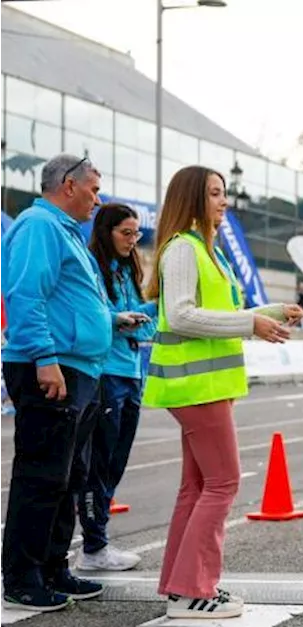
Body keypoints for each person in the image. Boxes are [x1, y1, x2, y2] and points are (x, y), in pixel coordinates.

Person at [143, 165, 303, 619]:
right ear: (193, 199)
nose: (224, 201)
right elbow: (179, 316)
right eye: (215, 193)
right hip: (196, 386)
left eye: (225, 193)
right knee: (223, 484)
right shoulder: (183, 250)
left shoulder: (206, 252)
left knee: (196, 487)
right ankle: (192, 591)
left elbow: (220, 312)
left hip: (204, 384)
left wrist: (270, 312)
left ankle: (183, 587)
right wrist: (251, 323)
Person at [1, 154, 113, 612]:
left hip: (80, 368)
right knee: (42, 475)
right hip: (51, 368)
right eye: (94, 189)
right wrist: (45, 359)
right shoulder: (39, 226)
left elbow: (70, 300)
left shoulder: (66, 232)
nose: (98, 199)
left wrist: (112, 320)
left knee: (68, 477)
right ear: (69, 185)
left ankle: (52, 566)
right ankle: (22, 577)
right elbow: (26, 295)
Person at [75, 203, 156, 572]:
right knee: (100, 463)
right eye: (126, 233)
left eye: (136, 233)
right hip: (105, 373)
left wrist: (151, 311)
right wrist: (117, 320)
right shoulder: (93, 266)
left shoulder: (128, 268)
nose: (132, 240)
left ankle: (97, 542)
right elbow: (93, 315)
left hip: (131, 372)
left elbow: (140, 320)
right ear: (106, 232)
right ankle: (93, 546)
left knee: (117, 461)